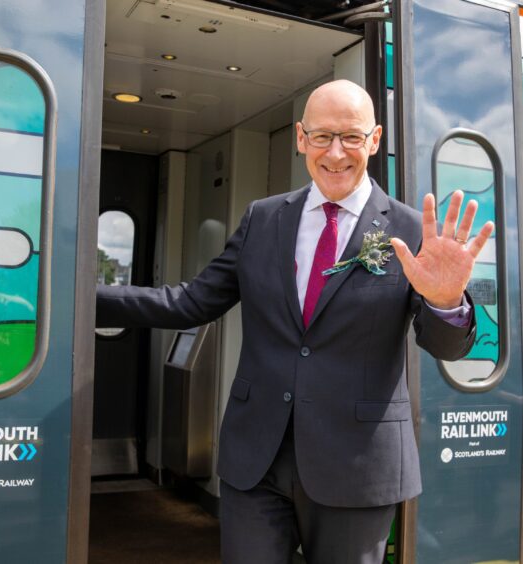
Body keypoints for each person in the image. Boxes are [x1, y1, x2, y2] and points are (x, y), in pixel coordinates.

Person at [96, 79, 494, 564]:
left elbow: (448, 348)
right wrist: (82, 299)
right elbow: (189, 303)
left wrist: (447, 298)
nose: (336, 153)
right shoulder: (263, 219)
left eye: (351, 136)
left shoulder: (409, 230)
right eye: (323, 136)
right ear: (301, 138)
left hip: (357, 464)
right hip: (256, 457)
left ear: (375, 139)